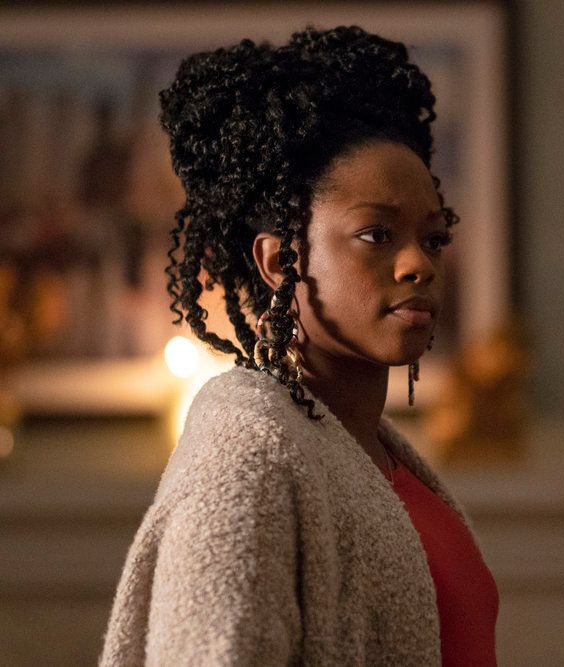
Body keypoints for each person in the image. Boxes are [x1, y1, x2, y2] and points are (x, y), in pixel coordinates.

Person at [99, 26, 499, 666]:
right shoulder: (245, 458)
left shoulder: (373, 453)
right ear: (280, 260)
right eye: (377, 235)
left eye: (433, 239)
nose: (418, 264)